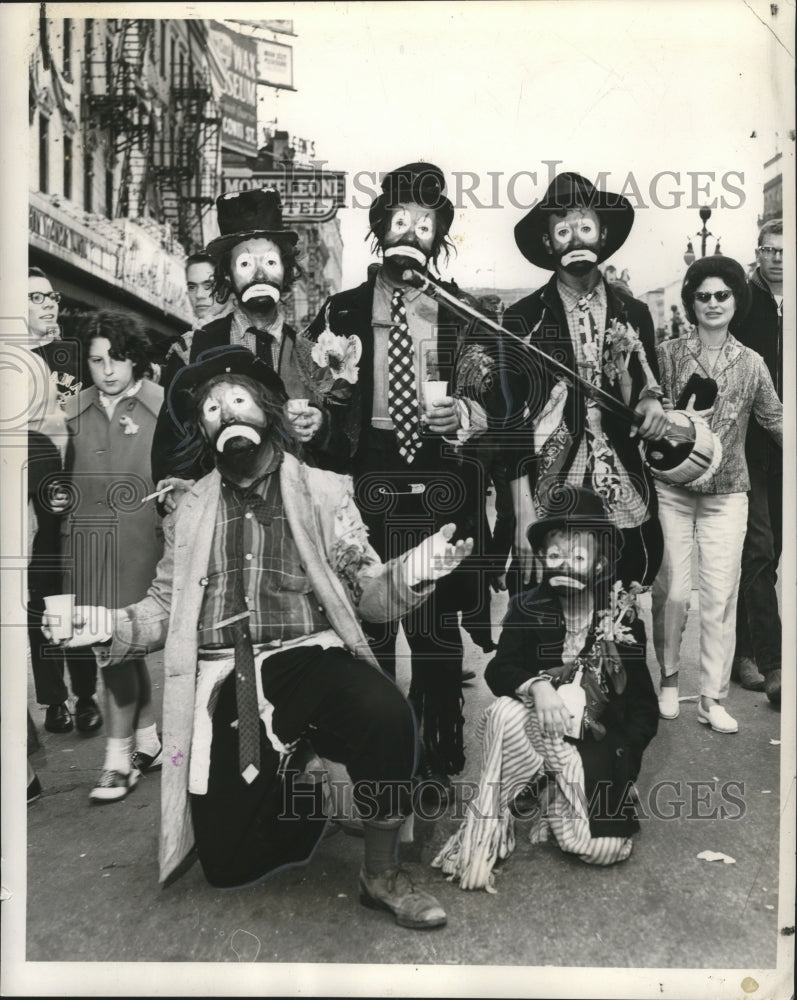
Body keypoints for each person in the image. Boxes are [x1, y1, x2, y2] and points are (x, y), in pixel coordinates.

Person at [47, 345, 473, 929]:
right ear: (203, 429)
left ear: (268, 411)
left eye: (239, 401)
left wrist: (411, 574)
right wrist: (103, 626)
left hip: (309, 655)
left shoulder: (324, 491)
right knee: (230, 863)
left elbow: (367, 590)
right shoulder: (191, 507)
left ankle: (381, 873)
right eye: (213, 410)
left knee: (386, 714)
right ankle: (305, 780)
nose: (227, 415)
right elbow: (165, 609)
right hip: (227, 673)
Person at [306, 162, 498, 793]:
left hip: (439, 477)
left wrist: (464, 413)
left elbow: (491, 401)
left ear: (436, 239)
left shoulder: (462, 312)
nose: (411, 234)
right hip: (368, 474)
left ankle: (440, 733)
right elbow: (315, 392)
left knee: (435, 620)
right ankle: (384, 745)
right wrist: (324, 406)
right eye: (400, 222)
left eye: (425, 226)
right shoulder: (340, 311)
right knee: (373, 615)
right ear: (380, 229)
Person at [432, 487, 658, 890]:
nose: (565, 565)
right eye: (555, 556)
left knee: (603, 850)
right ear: (542, 559)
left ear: (601, 561)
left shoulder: (622, 618)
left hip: (593, 745)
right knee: (502, 713)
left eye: (578, 557)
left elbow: (644, 708)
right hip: (538, 729)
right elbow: (500, 670)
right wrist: (537, 686)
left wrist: (623, 769)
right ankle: (486, 829)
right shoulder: (528, 604)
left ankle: (556, 795)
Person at [500, 172, 670, 598]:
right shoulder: (523, 319)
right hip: (550, 479)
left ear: (603, 234)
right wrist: (522, 516)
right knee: (553, 599)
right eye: (562, 231)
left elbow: (648, 385)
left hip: (621, 476)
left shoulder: (635, 313)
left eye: (585, 227)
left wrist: (651, 404)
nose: (575, 238)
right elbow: (510, 423)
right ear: (547, 243)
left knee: (621, 598)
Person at [652, 255, 782, 734]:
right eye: (703, 296)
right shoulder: (666, 355)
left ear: (735, 301)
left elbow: (775, 419)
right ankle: (668, 681)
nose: (712, 303)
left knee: (721, 597)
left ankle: (711, 698)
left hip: (728, 493)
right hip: (672, 489)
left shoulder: (751, 363)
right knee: (673, 592)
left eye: (721, 295)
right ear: (691, 302)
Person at [154, 189, 326, 483]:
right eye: (245, 264)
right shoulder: (191, 350)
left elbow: (336, 455)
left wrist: (322, 427)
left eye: (270, 262)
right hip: (219, 512)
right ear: (227, 276)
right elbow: (172, 442)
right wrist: (177, 486)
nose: (259, 274)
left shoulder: (310, 356)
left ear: (286, 270)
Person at [61, 312, 164, 799]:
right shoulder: (70, 410)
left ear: (136, 358)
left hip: (142, 546)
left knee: (119, 648)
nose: (107, 369)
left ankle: (118, 763)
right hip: (87, 548)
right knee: (115, 649)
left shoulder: (162, 406)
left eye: (118, 358)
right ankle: (146, 742)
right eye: (97, 360)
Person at [27, 267, 99, 733]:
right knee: (39, 598)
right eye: (35, 298)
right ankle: (54, 700)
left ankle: (86, 695)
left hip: (69, 491)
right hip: (25, 501)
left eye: (50, 296)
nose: (49, 303)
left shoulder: (68, 356)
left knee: (72, 590)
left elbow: (83, 421)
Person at [731, 220, 783, 704]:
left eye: (786, 251)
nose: (779, 259)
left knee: (776, 549)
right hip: (753, 446)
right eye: (770, 250)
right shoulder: (745, 303)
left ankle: (743, 651)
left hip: (788, 444)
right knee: (760, 549)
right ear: (759, 254)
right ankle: (768, 662)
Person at [158, 253, 234, 382]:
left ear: (227, 285)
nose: (199, 295)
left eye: (208, 286)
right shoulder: (183, 346)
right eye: (192, 287)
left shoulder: (249, 328)